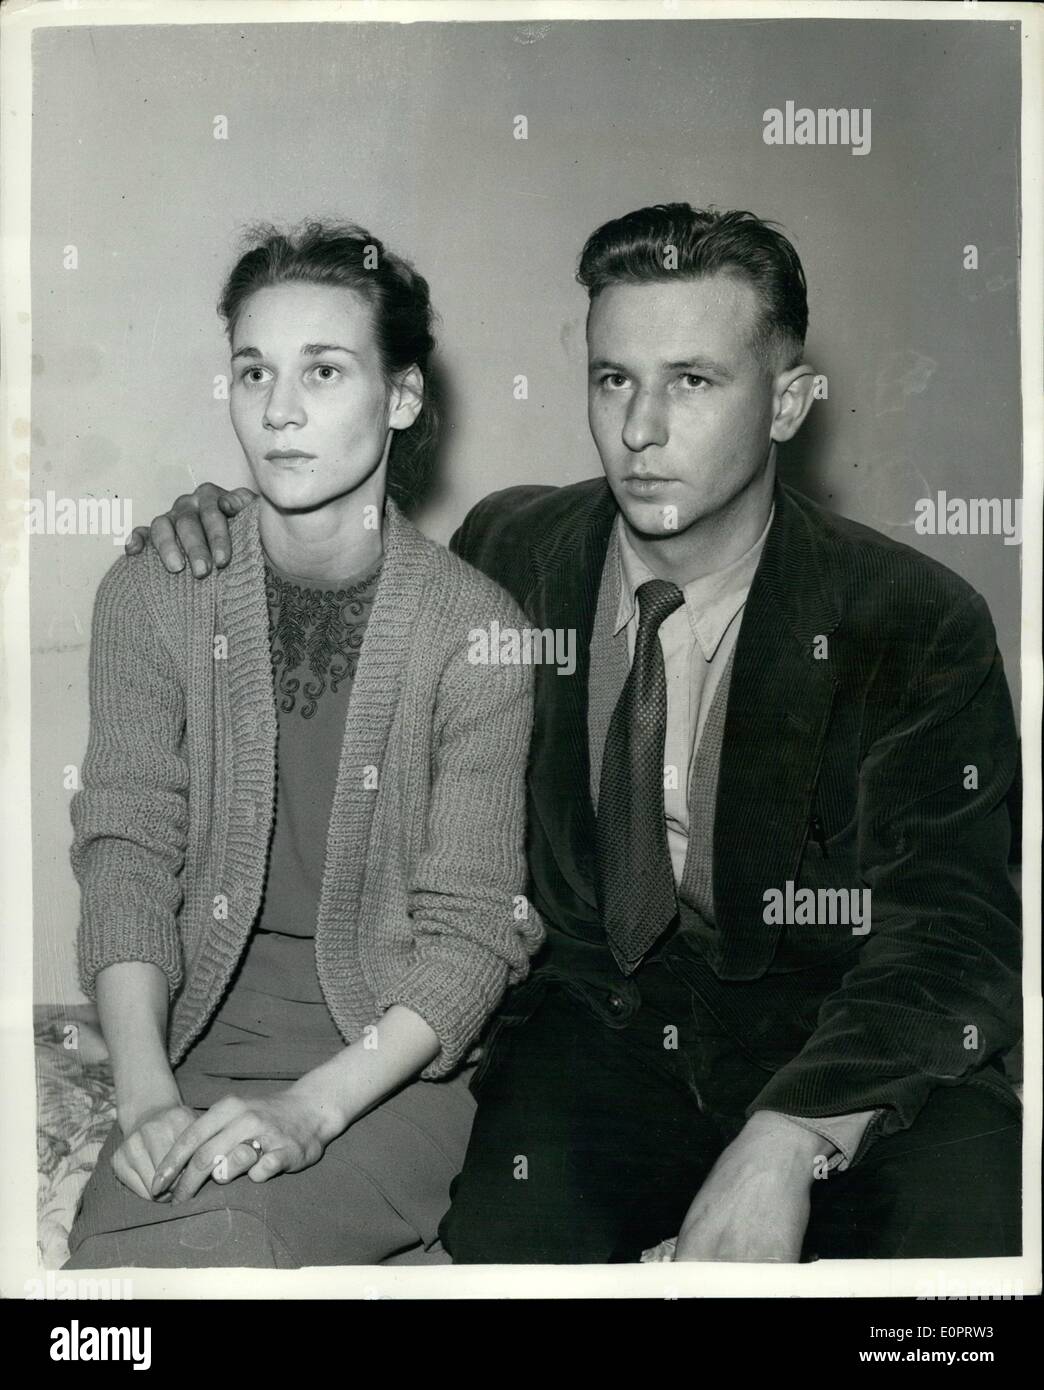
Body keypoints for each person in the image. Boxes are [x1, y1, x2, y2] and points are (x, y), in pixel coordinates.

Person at [131, 204, 1022, 1264]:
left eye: (692, 381)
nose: (640, 428)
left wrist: (788, 1141)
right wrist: (225, 523)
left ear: (786, 402)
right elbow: (350, 548)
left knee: (977, 1241)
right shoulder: (512, 547)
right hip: (601, 1034)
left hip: (837, 1038)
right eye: (613, 379)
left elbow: (954, 938)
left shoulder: (915, 619)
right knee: (508, 1242)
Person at [65, 220, 541, 1269]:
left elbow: (469, 939)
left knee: (232, 1246)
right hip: (192, 1045)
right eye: (253, 371)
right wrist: (143, 1100)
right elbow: (126, 857)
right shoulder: (153, 590)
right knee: (113, 1286)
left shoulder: (477, 632)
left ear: (403, 397)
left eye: (323, 370)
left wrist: (309, 1113)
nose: (278, 410)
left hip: (384, 1069)